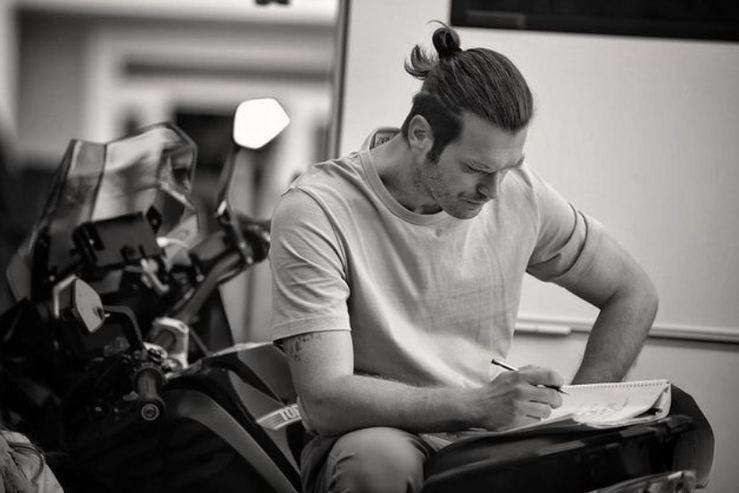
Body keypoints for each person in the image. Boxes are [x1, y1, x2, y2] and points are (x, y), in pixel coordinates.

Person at [268, 24, 705, 493]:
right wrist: (476, 405)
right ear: (420, 135)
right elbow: (326, 398)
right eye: (476, 169)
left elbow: (632, 293)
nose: (494, 192)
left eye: (509, 167)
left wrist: (582, 415)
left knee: (679, 416)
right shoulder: (318, 210)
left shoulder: (518, 194)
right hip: (378, 432)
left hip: (486, 432)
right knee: (375, 463)